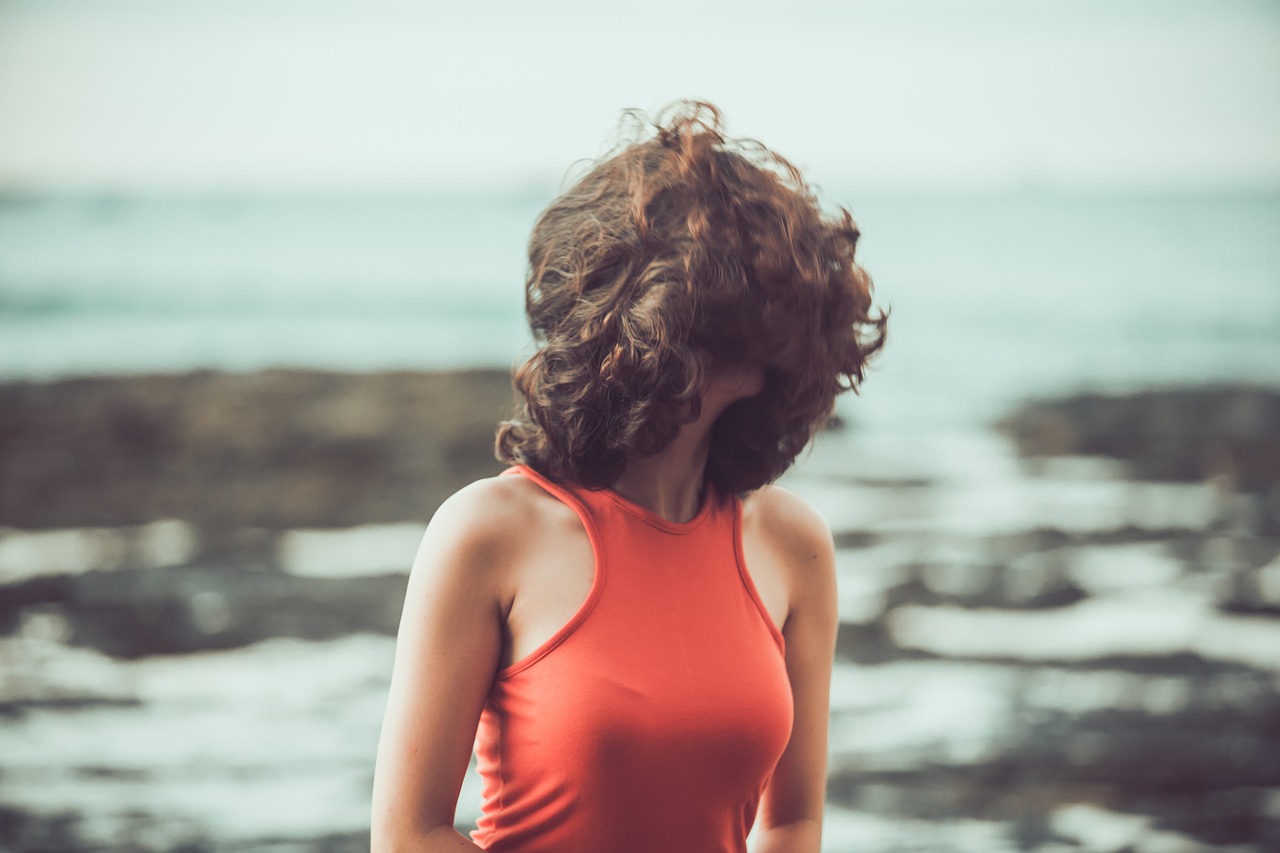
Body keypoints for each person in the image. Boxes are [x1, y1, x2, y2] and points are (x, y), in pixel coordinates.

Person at [370, 99, 887, 853]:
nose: (773, 337)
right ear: (650, 324)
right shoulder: (487, 533)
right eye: (744, 311)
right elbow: (408, 834)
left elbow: (793, 821)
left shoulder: (793, 543)